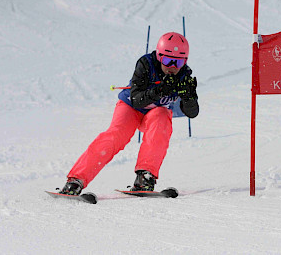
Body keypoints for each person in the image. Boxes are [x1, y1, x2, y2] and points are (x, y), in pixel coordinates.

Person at [59, 32, 199, 195]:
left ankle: (145, 177)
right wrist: (160, 90)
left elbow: (192, 113)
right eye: (168, 60)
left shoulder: (184, 75)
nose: (172, 67)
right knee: (117, 136)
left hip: (154, 115)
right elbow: (136, 100)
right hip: (130, 108)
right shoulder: (146, 64)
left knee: (162, 119)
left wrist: (189, 96)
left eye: (178, 62)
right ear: (160, 56)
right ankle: (76, 180)